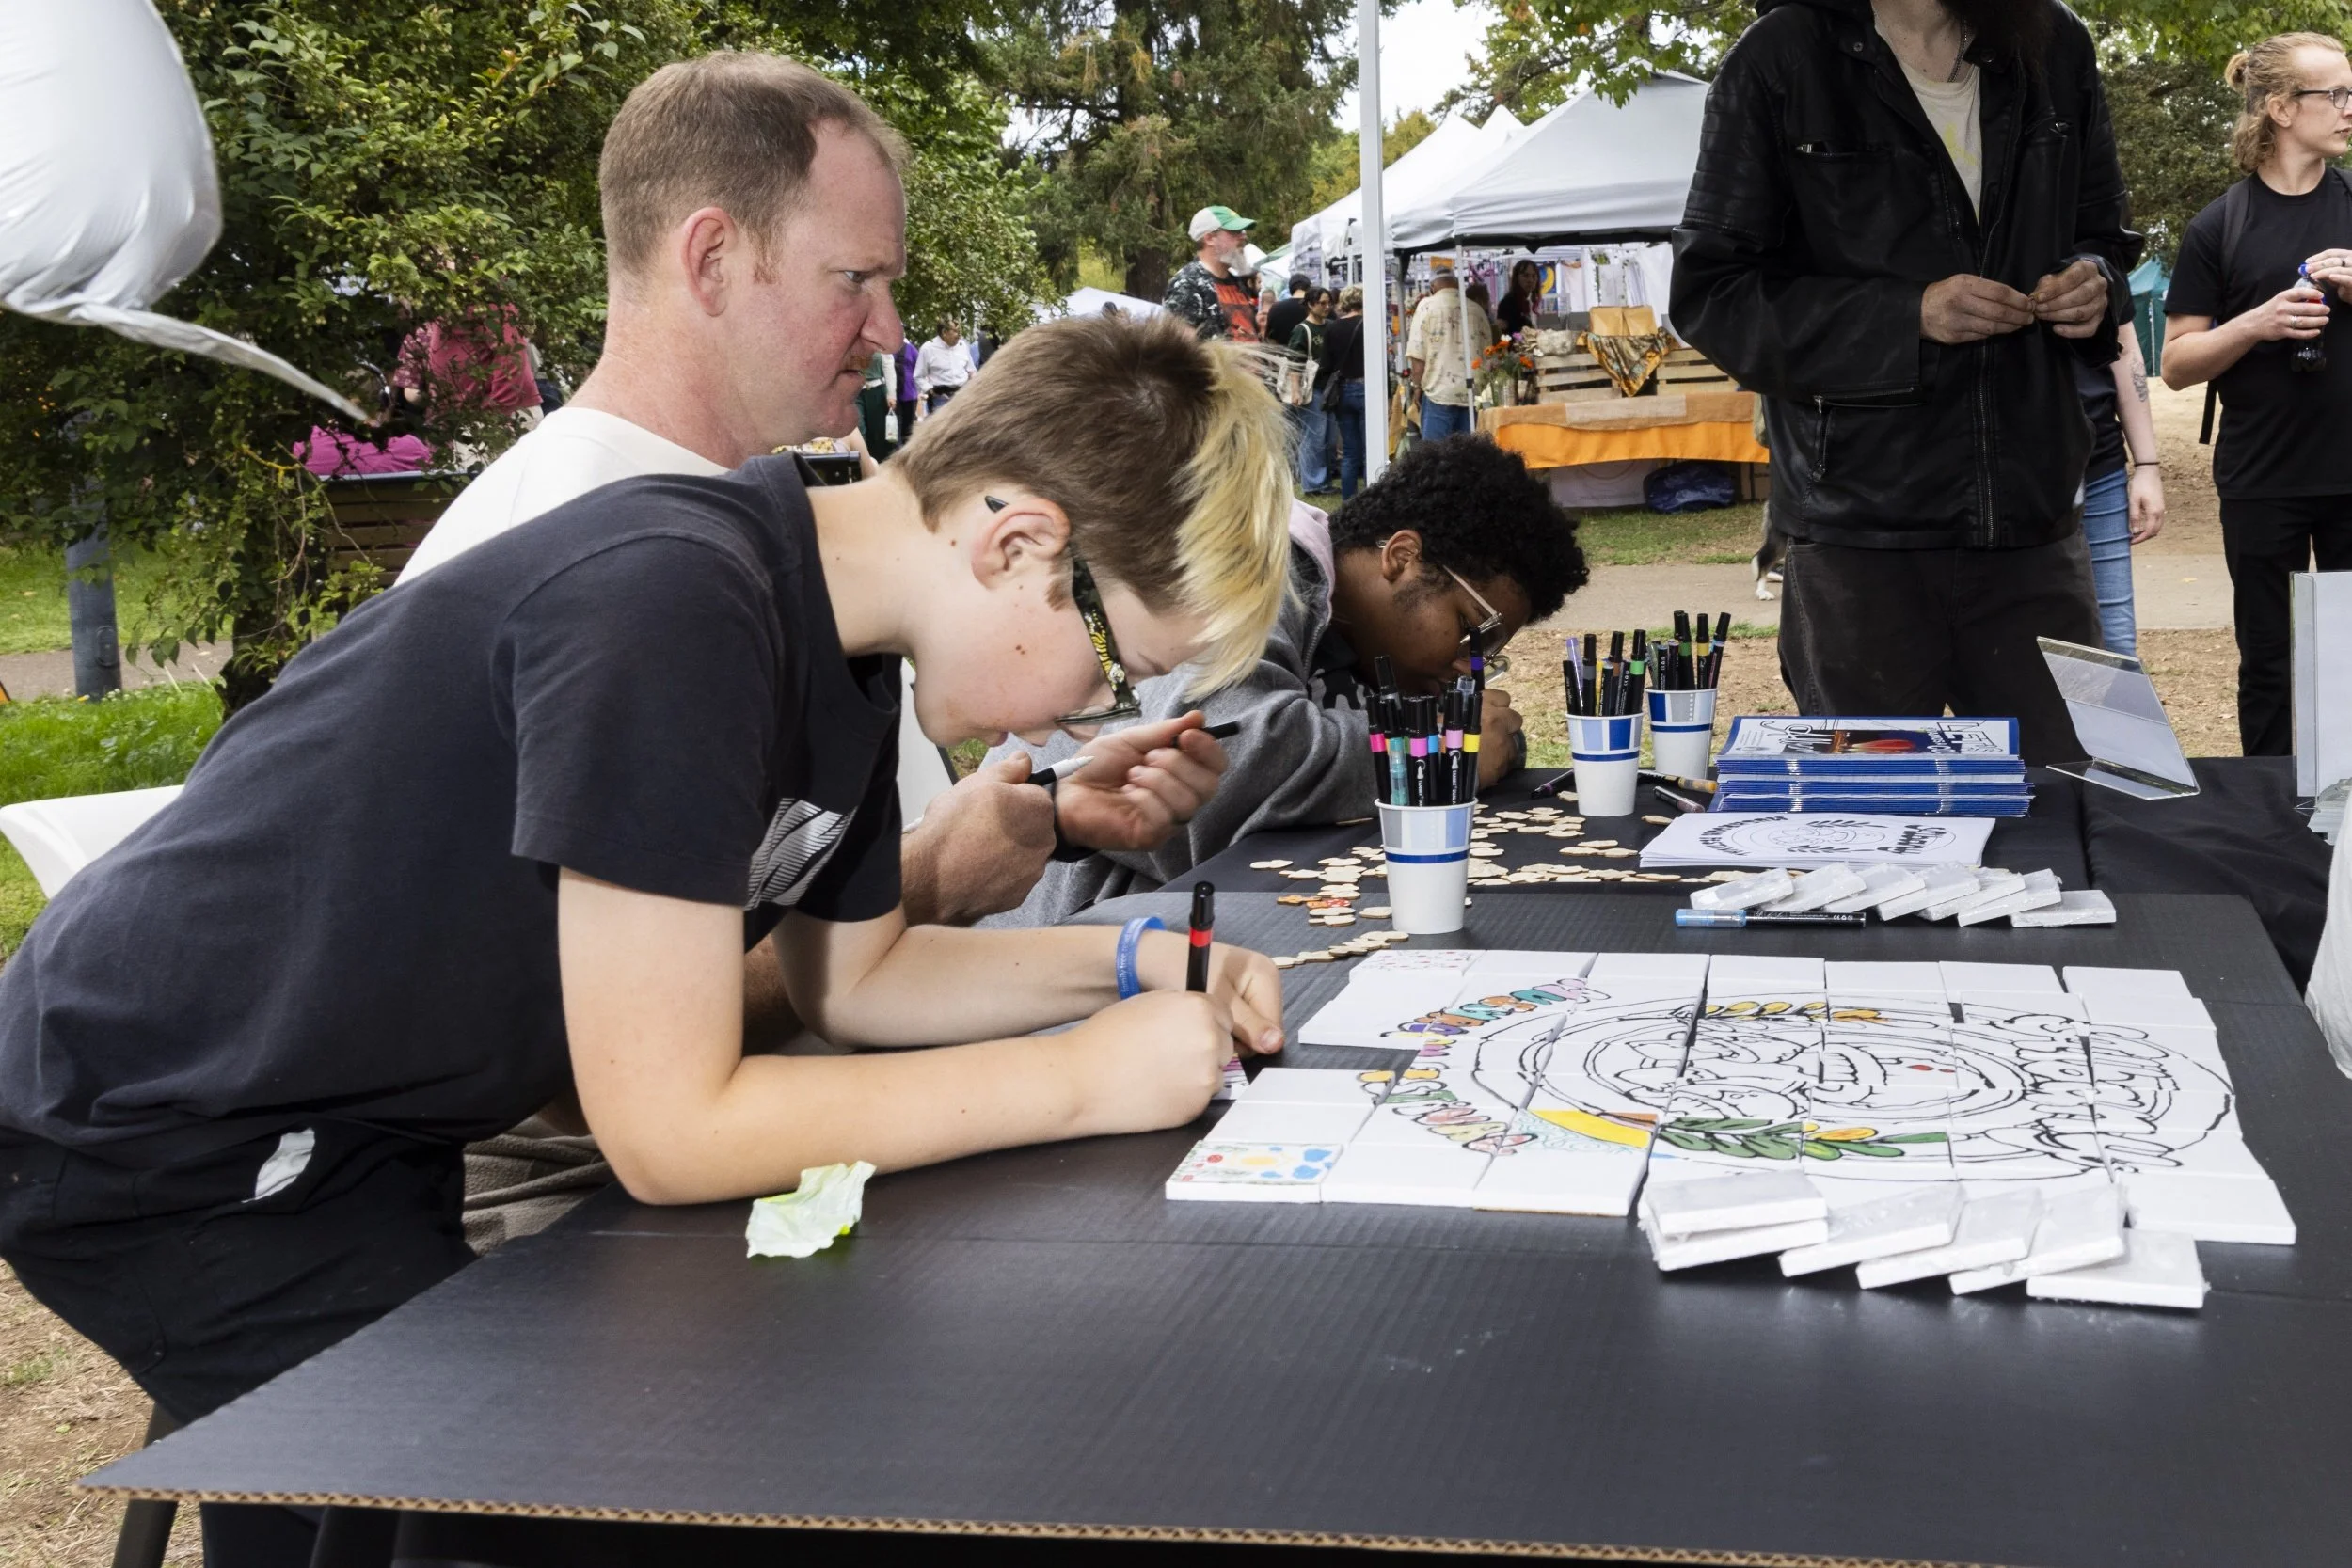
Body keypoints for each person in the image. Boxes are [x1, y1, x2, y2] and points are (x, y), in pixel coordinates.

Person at [0, 308, 1295, 1568]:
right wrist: (1079, 1077)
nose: (1090, 708)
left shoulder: (840, 660)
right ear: (1017, 546)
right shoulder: (678, 601)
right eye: (1118, 668)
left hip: (358, 1128)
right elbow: (671, 1126)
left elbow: (861, 977)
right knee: (486, 1500)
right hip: (159, 1129)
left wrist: (1149, 963)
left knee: (348, 1487)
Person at [1672, 0, 2138, 765]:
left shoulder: (2056, 44)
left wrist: (2096, 283)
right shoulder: (1781, 57)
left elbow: (2109, 239)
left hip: (2040, 525)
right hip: (1858, 540)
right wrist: (1905, 316)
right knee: (1870, 835)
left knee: (2094, 798)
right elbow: (1712, 297)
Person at [983, 435, 1586, 925]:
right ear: (1401, 559)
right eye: (1469, 632)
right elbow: (1232, 757)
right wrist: (1438, 750)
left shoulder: (1368, 644)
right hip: (1059, 936)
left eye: (1487, 655)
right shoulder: (1264, 566)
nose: (1467, 666)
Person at [2162, 33, 2352, 755]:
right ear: (2279, 107)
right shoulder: (2220, 226)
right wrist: (2258, 321)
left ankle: (2345, 831)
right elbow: (2177, 363)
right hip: (2260, 482)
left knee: (2347, 663)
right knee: (2269, 666)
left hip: (2349, 479)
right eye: (2333, 94)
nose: (2348, 109)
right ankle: (2268, 820)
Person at [2073, 327, 2166, 657]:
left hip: (2099, 470)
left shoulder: (2104, 273)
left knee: (2115, 647)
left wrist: (2147, 466)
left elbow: (2124, 351)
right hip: (2004, 480)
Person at [1406, 264, 1488, 443]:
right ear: (1457, 284)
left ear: (1433, 287)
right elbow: (1489, 354)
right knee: (1469, 458)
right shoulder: (1477, 310)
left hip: (1438, 394)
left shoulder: (1426, 307)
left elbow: (1418, 355)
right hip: (1472, 394)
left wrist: (1417, 386)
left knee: (1435, 459)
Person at [1163, 205, 1263, 342]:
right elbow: (1184, 351)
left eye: (1243, 231)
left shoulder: (1238, 283)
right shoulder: (1187, 286)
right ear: (1209, 238)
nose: (1243, 236)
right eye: (1235, 231)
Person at [1319, 284, 1371, 499]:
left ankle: (1349, 501)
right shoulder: (1369, 324)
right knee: (1371, 449)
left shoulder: (1332, 328)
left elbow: (1326, 364)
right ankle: (1372, 496)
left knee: (1350, 451)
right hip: (1366, 387)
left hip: (1342, 391)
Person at [1289, 286, 1338, 494]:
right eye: (1322, 303)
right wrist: (1295, 390)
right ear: (1310, 304)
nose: (1327, 307)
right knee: (1314, 437)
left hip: (1329, 387)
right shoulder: (1302, 330)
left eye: (1329, 302)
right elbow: (1294, 361)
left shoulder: (1331, 326)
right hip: (1312, 389)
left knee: (1328, 438)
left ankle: (1324, 481)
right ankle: (1313, 483)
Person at [914, 318, 974, 414]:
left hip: (963, 397)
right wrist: (931, 390)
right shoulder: (928, 349)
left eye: (959, 331)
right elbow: (918, 376)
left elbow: (971, 370)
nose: (959, 335)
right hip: (941, 400)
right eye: (955, 331)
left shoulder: (963, 345)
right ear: (944, 332)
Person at [859, 347, 898, 458]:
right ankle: (862, 465)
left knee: (878, 433)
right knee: (859, 429)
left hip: (877, 391)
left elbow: (888, 367)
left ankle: (879, 466)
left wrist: (891, 395)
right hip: (854, 393)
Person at [1265, 272, 1314, 356]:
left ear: (1290, 290)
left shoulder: (1276, 308)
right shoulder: (1318, 306)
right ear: (1309, 288)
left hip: (1286, 362)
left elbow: (1270, 340)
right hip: (1314, 363)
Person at [1497, 258, 1545, 338]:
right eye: (1525, 276)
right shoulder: (1509, 302)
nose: (1530, 280)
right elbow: (1513, 334)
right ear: (1516, 278)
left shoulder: (1526, 301)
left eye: (1534, 276)